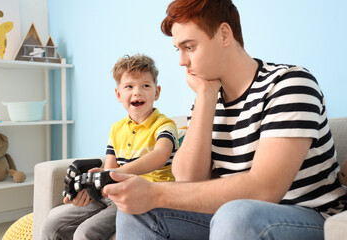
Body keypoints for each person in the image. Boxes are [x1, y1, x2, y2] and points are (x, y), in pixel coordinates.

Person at [102, 1, 347, 239]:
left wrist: (155, 193)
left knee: (235, 213)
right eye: (178, 49)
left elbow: (264, 189)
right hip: (231, 216)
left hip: (309, 217)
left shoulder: (289, 84)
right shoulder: (207, 97)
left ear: (224, 34)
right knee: (135, 213)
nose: (181, 61)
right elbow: (187, 178)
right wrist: (206, 96)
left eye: (189, 47)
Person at [40, 54, 179, 240]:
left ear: (157, 92)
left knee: (84, 233)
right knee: (51, 226)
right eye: (129, 86)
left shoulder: (165, 125)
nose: (137, 92)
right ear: (118, 94)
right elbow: (110, 169)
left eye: (145, 85)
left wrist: (113, 174)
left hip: (143, 196)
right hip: (113, 193)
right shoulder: (116, 129)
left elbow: (161, 155)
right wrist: (93, 182)